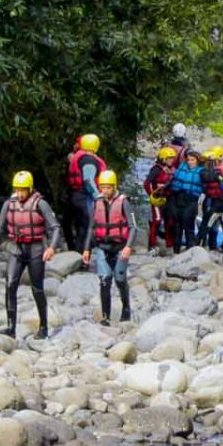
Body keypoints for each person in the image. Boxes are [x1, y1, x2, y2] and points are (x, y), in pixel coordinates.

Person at [0, 170, 60, 337]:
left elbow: (55, 227)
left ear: (30, 188)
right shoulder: (9, 204)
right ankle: (11, 328)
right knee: (10, 285)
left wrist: (51, 247)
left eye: (23, 189)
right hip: (16, 248)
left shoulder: (40, 204)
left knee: (37, 288)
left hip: (36, 249)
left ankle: (43, 327)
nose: (20, 193)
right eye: (17, 189)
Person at [81, 170, 136, 323]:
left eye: (108, 188)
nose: (105, 191)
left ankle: (126, 308)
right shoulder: (96, 202)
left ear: (114, 187)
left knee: (119, 280)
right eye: (102, 188)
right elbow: (92, 227)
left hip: (120, 247)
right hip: (103, 247)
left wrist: (128, 246)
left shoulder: (123, 202)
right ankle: (105, 316)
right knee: (105, 281)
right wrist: (87, 249)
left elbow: (132, 227)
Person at [62, 133, 105, 247]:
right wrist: (97, 195)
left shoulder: (77, 157)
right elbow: (88, 180)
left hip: (73, 195)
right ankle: (81, 257)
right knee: (84, 227)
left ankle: (73, 250)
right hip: (84, 197)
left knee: (70, 223)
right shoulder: (89, 160)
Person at [167, 149, 205, 252]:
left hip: (191, 201)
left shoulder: (202, 171)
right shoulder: (182, 167)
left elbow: (208, 184)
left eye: (192, 160)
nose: (190, 162)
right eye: (188, 160)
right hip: (177, 200)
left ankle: (189, 252)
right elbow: (171, 182)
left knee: (189, 229)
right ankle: (175, 252)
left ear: (197, 161)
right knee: (177, 228)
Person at [142, 145, 176, 250]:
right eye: (169, 158)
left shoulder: (173, 169)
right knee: (157, 220)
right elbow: (146, 183)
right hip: (157, 199)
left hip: (169, 199)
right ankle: (152, 246)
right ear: (163, 159)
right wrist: (151, 195)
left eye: (172, 158)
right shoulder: (156, 169)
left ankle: (169, 244)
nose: (172, 160)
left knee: (169, 221)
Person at [199, 146, 223, 251]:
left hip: (217, 201)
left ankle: (203, 246)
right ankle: (216, 246)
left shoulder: (219, 170)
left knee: (207, 224)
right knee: (218, 225)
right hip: (219, 201)